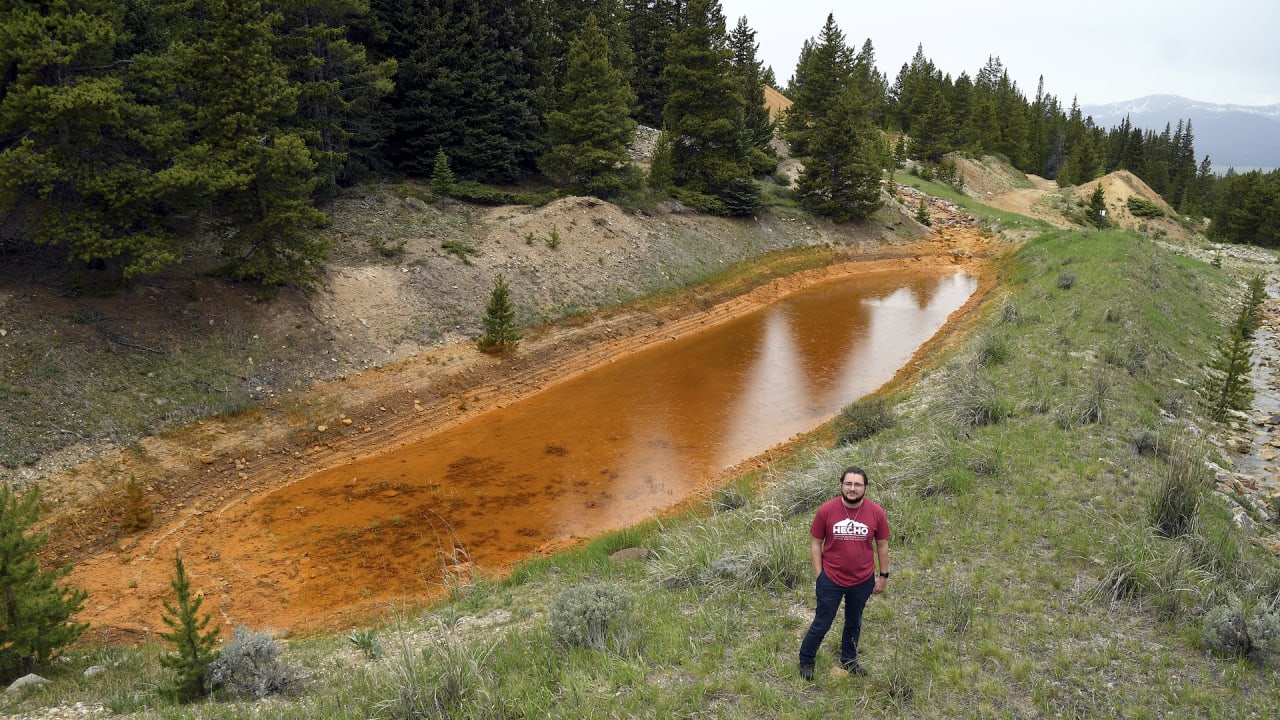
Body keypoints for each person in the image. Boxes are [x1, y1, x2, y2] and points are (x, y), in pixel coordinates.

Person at [798, 465, 890, 680]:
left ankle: (848, 660)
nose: (852, 488)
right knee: (823, 621)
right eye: (848, 483)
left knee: (854, 621)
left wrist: (883, 576)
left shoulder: (876, 512)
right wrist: (820, 574)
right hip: (831, 578)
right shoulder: (826, 510)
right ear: (841, 485)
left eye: (857, 484)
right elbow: (816, 542)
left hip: (862, 579)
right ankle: (806, 659)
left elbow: (882, 545)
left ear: (865, 488)